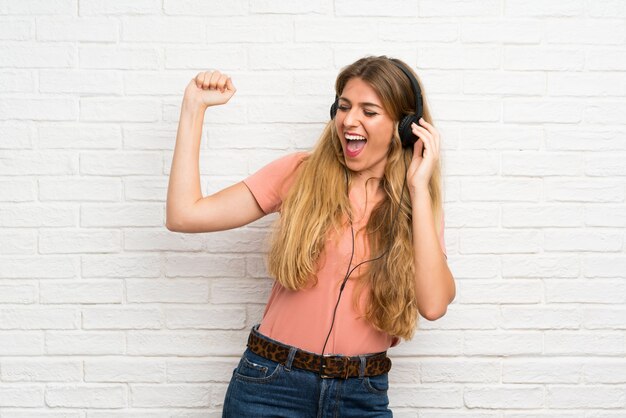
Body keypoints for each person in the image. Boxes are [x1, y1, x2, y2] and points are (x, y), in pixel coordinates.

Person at [166, 55, 456, 417]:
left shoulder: (419, 208)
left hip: (361, 396)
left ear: (405, 126)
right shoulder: (299, 173)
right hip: (270, 388)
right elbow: (184, 214)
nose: (349, 120)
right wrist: (193, 109)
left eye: (369, 111)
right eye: (344, 107)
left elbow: (433, 305)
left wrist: (417, 188)